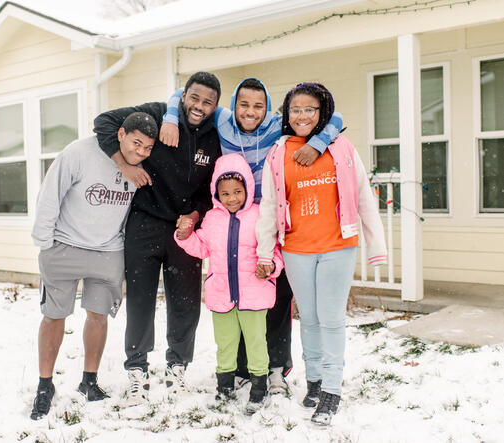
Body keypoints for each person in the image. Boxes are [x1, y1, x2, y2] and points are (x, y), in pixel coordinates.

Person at [159, 78, 343, 394]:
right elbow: (180, 93)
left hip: (270, 218)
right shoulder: (222, 119)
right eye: (244, 104)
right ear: (233, 105)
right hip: (232, 216)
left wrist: (317, 143)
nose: (250, 112)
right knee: (238, 297)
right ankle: (244, 369)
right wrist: (169, 118)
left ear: (267, 109)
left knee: (276, 297)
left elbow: (334, 118)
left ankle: (275, 369)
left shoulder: (277, 123)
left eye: (258, 106)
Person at [255, 82, 387, 426]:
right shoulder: (278, 151)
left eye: (309, 109)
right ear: (287, 114)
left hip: (338, 246)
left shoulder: (341, 148)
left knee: (330, 318)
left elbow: (363, 198)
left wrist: (378, 246)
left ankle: (331, 389)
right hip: (296, 248)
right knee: (309, 318)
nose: (301, 116)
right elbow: (269, 205)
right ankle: (313, 380)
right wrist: (266, 250)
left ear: (322, 112)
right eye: (295, 109)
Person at [93, 72, 222, 406]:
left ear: (216, 106)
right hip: (145, 222)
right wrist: (124, 165)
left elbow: (212, 191)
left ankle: (177, 368)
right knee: (140, 299)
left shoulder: (215, 137)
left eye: (208, 102)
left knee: (186, 303)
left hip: (185, 229)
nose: (199, 106)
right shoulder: (155, 114)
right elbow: (104, 122)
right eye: (194, 97)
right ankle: (137, 371)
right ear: (182, 96)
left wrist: (195, 216)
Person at [29, 112, 158, 420]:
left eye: (147, 147)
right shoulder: (79, 152)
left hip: (108, 251)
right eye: (136, 143)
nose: (140, 152)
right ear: (121, 134)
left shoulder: (142, 166)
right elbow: (51, 194)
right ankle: (45, 385)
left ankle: (89, 381)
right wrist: (45, 242)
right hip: (65, 246)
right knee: (54, 315)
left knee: (99, 316)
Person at [174, 153, 283, 415]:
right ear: (216, 194)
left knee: (256, 341)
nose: (232, 198)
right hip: (222, 294)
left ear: (248, 188)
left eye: (237, 191)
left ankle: (259, 385)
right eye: (225, 193)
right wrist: (184, 236)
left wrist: (270, 267)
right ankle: (224, 385)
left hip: (254, 293)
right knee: (225, 342)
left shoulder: (259, 216)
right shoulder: (212, 219)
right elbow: (201, 248)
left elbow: (275, 251)